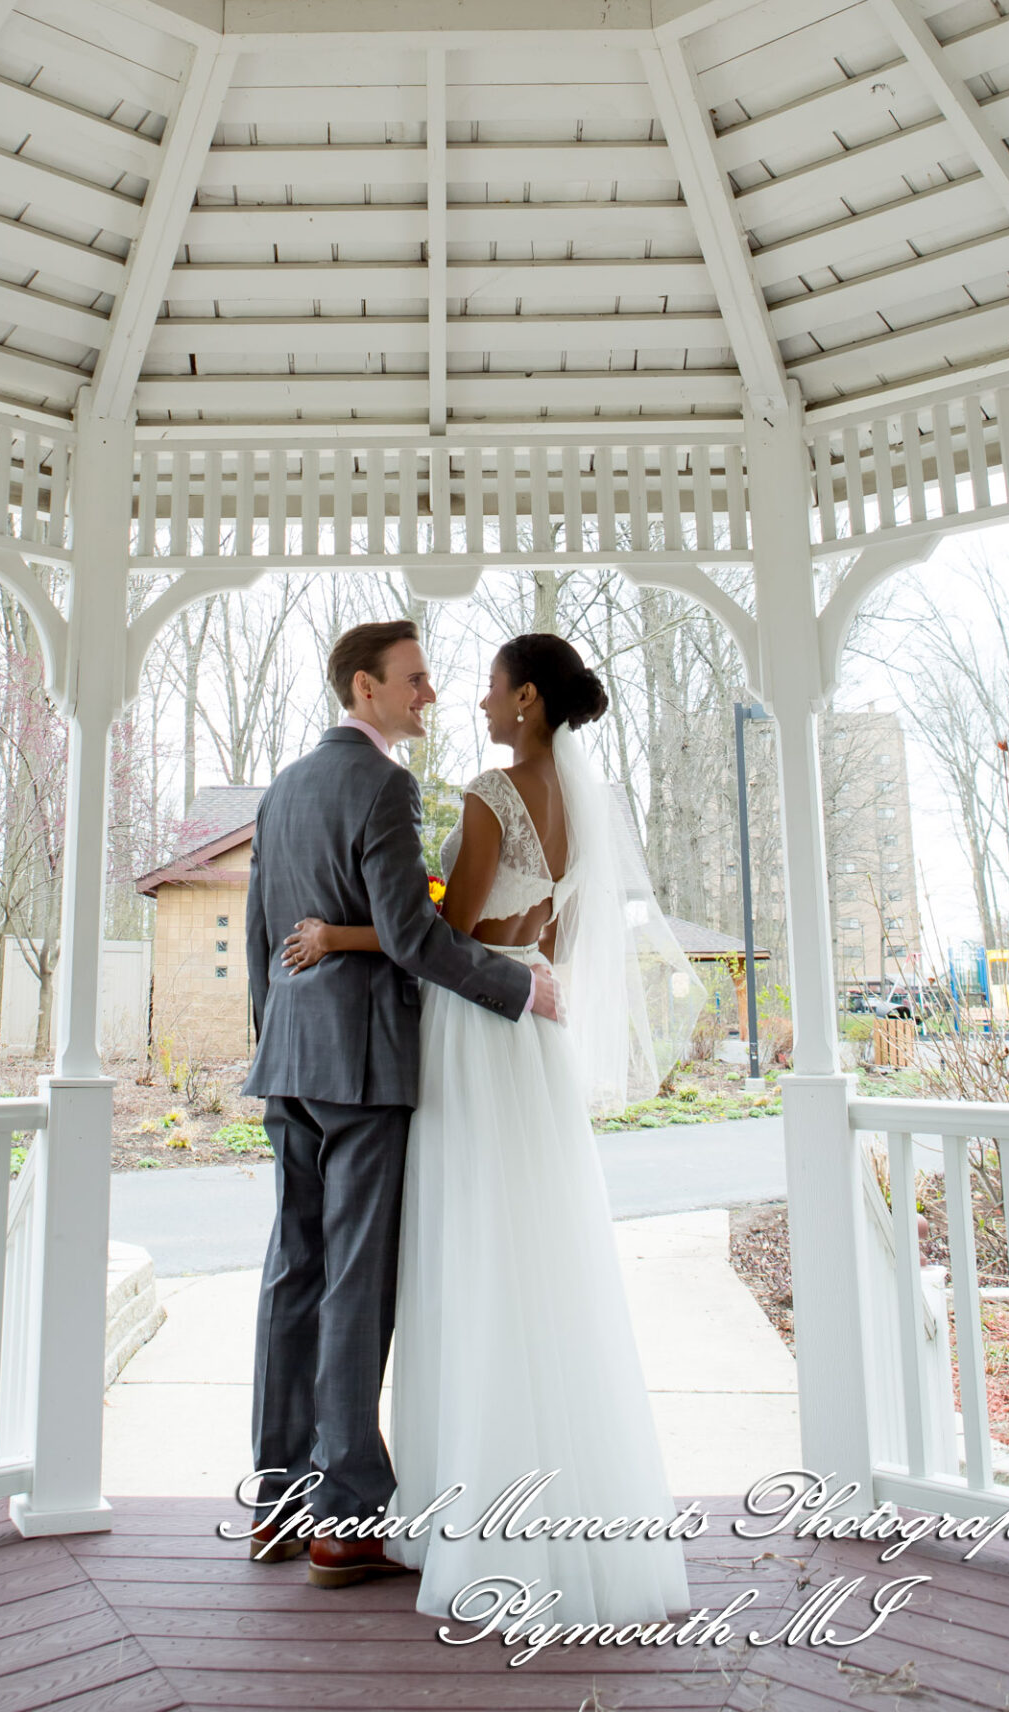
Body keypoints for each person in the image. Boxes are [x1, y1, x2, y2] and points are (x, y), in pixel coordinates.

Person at [281, 631, 699, 1624]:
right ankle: (559, 1509)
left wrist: (340, 931)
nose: (473, 700)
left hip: (475, 1031)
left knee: (467, 1258)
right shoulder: (586, 811)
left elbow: (439, 931)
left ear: (530, 703)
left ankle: (463, 1512)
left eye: (492, 688)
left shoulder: (489, 791)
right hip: (536, 1031)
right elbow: (551, 938)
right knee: (539, 1261)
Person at [240, 618, 564, 1589]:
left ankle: (275, 1502)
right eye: (415, 680)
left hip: (290, 1060)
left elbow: (264, 937)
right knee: (352, 1287)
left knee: (293, 1272)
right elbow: (414, 938)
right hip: (365, 1066)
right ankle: (344, 1518)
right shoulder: (384, 783)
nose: (429, 693)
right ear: (363, 688)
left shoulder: (285, 787)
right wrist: (526, 990)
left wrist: (272, 1042)